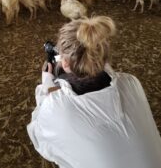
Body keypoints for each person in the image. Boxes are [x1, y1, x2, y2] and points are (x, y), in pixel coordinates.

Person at [27, 16, 161, 168]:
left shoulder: (57, 107)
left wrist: (47, 85)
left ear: (64, 63)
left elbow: (38, 135)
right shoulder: (131, 82)